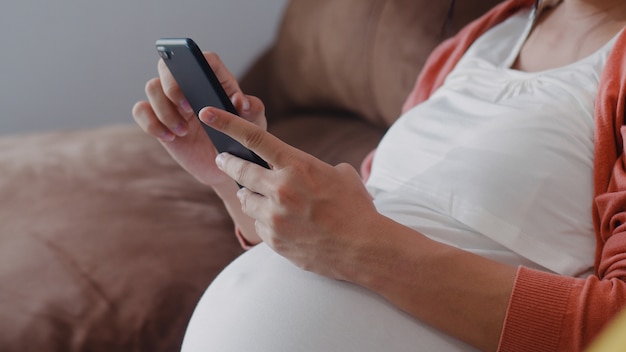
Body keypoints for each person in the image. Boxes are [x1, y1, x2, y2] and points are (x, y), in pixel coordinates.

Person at [132, 0, 626, 350]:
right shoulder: (476, 41)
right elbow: (338, 234)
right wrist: (228, 175)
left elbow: (616, 328)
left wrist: (362, 245)